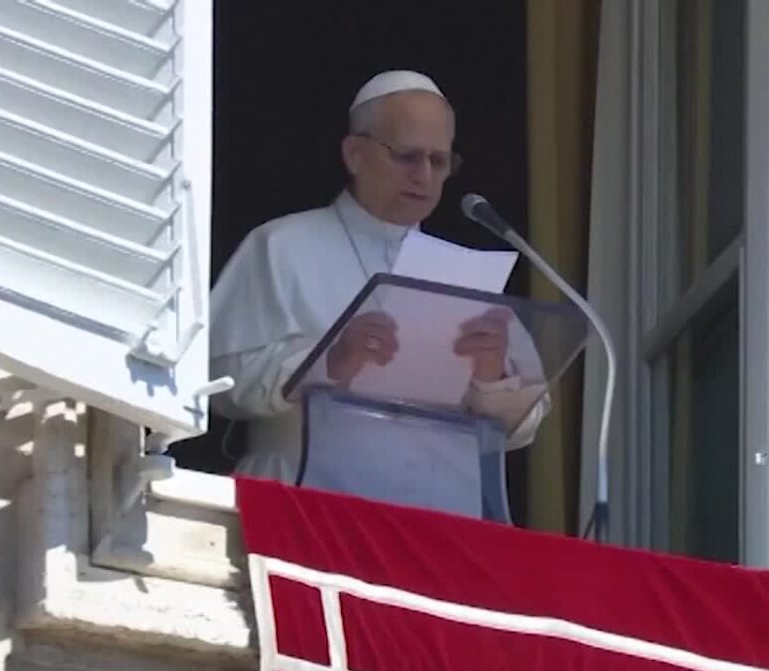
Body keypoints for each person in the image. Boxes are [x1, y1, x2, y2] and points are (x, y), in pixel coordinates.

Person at [209, 70, 548, 490]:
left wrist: (492, 378)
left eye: (439, 161)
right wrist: (327, 361)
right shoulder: (281, 245)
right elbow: (217, 381)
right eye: (407, 156)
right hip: (305, 493)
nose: (424, 176)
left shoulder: (468, 275)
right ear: (354, 154)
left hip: (432, 500)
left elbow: (527, 424)